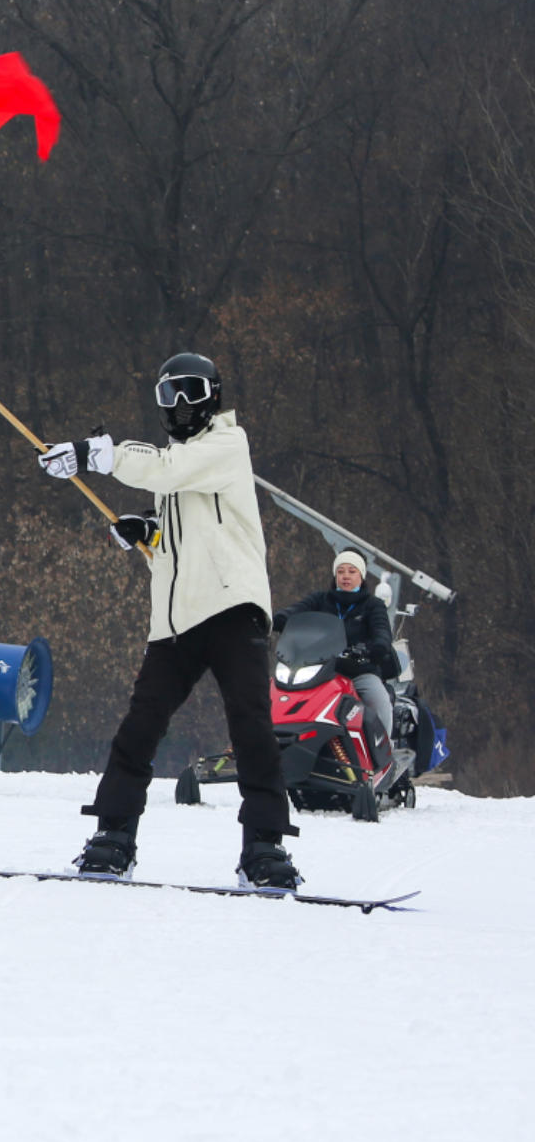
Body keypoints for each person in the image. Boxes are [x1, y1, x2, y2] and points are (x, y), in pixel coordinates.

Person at [38, 351, 300, 889]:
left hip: (232, 610)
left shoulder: (228, 445)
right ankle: (113, 837)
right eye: (169, 394)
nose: (181, 405)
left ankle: (265, 849)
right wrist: (149, 533)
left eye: (191, 392)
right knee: (141, 726)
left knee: (251, 727)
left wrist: (96, 453)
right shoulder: (178, 474)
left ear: (214, 397)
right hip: (177, 622)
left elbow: (168, 468)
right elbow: (189, 532)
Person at [275, 549, 400, 762]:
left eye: (352, 571)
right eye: (341, 571)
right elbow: (296, 612)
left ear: (361, 576)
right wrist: (277, 619)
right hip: (322, 671)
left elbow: (382, 634)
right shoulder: (320, 600)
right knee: (281, 694)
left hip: (358, 671)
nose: (346, 576)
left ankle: (383, 755)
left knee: (378, 700)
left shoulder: (372, 605)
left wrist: (371, 649)